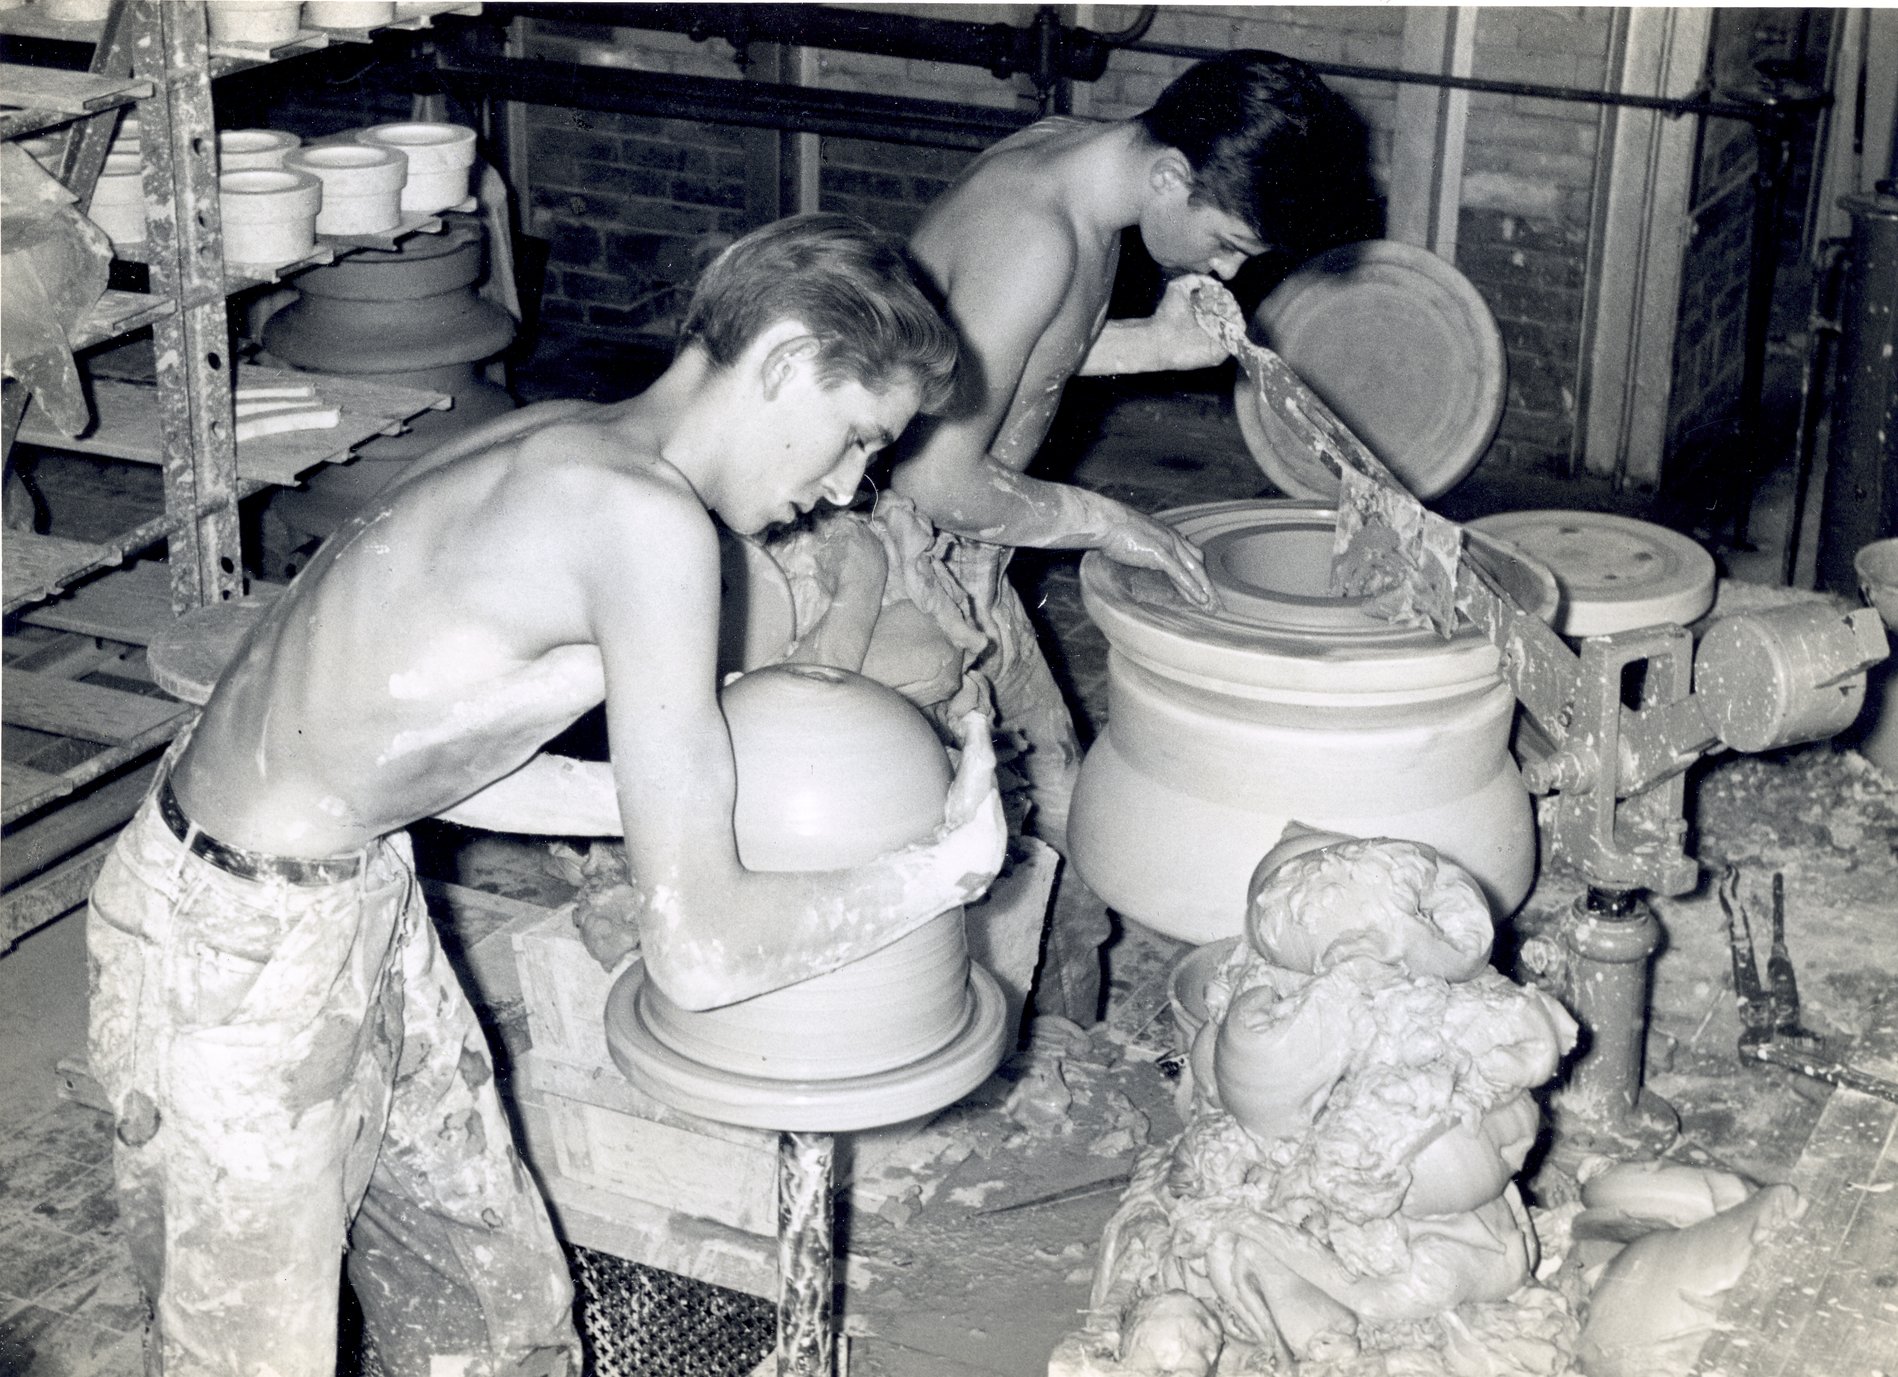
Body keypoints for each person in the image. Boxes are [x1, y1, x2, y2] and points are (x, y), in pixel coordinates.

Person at [84, 214, 1006, 1377]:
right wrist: (940, 869)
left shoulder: (568, 441)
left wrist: (722, 812)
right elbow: (702, 956)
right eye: (854, 438)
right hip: (226, 942)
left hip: (348, 877)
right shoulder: (648, 524)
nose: (842, 488)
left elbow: (441, 765)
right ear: (781, 363)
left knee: (491, 1310)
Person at [886, 50, 1371, 1021]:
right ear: (1169, 178)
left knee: (1063, 800)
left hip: (968, 553)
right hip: (892, 566)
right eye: (1227, 242)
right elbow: (933, 475)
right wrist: (1104, 521)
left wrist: (1160, 342)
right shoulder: (1034, 229)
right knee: (951, 831)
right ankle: (956, 1050)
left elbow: (1021, 351)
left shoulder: (1080, 170)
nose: (1228, 270)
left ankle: (1053, 1038)